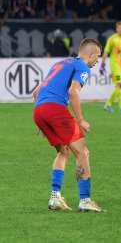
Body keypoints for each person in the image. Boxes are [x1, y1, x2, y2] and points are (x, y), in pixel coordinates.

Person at [33, 38, 105, 212]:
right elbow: (73, 92)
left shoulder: (60, 63)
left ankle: (55, 197)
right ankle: (85, 200)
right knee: (82, 153)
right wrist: (81, 120)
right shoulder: (83, 67)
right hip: (55, 110)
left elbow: (36, 91)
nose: (98, 61)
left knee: (63, 152)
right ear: (91, 54)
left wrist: (41, 121)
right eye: (98, 56)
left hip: (39, 110)